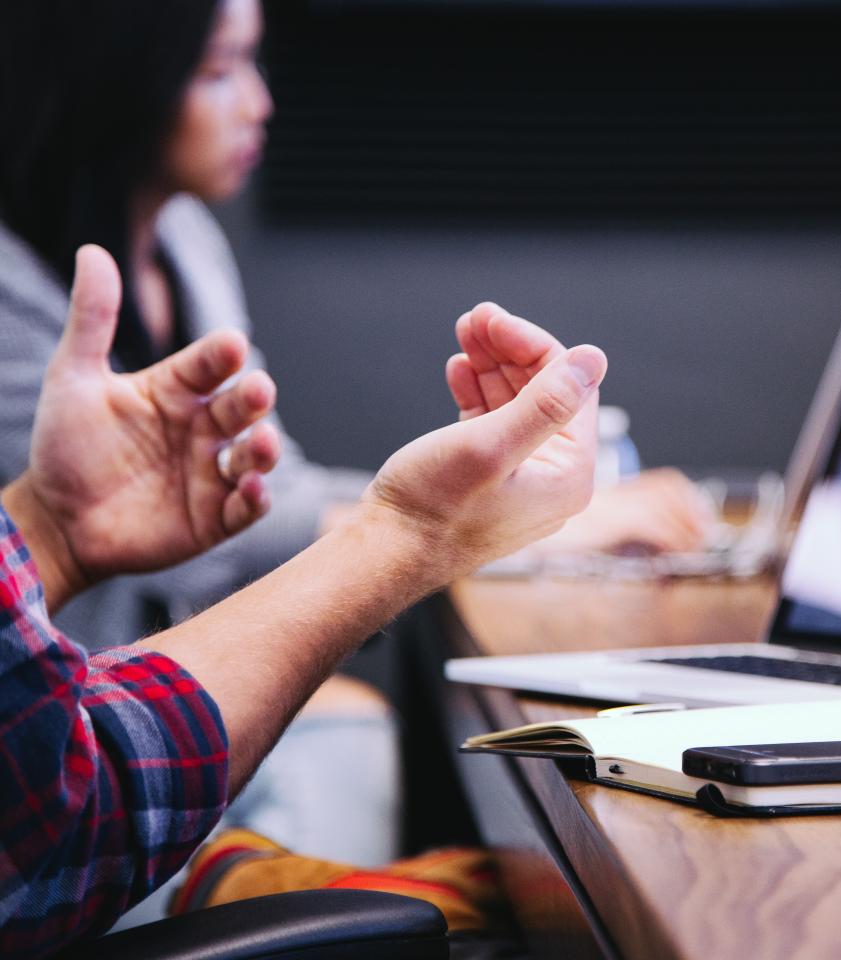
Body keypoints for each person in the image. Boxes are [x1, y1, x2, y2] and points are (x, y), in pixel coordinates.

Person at [0, 0, 710, 653]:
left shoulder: (185, 242)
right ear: (118, 77)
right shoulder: (12, 292)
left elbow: (262, 492)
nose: (260, 103)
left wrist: (478, 513)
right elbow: (214, 541)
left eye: (255, 62)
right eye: (220, 70)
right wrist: (506, 532)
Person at [0, 243, 607, 958]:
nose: (259, 119)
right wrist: (411, 533)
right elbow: (57, 809)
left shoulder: (186, 240)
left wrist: (49, 530)